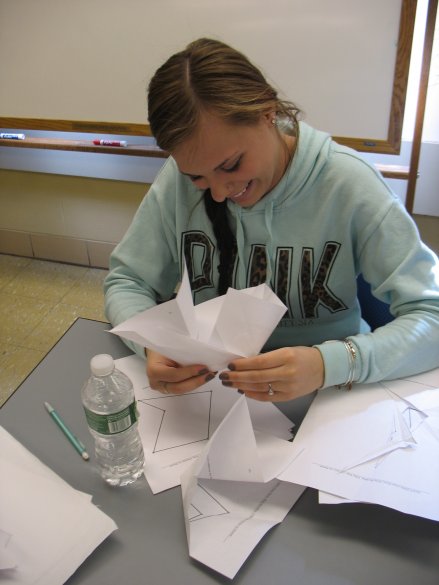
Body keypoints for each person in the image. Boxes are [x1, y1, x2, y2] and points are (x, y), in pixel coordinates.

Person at [104, 38, 439, 402]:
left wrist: (329, 364)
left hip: (331, 395)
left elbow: (432, 315)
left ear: (268, 113)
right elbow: (127, 281)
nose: (218, 193)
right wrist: (153, 347)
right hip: (213, 395)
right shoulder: (177, 181)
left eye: (231, 165)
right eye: (197, 178)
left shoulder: (349, 184)